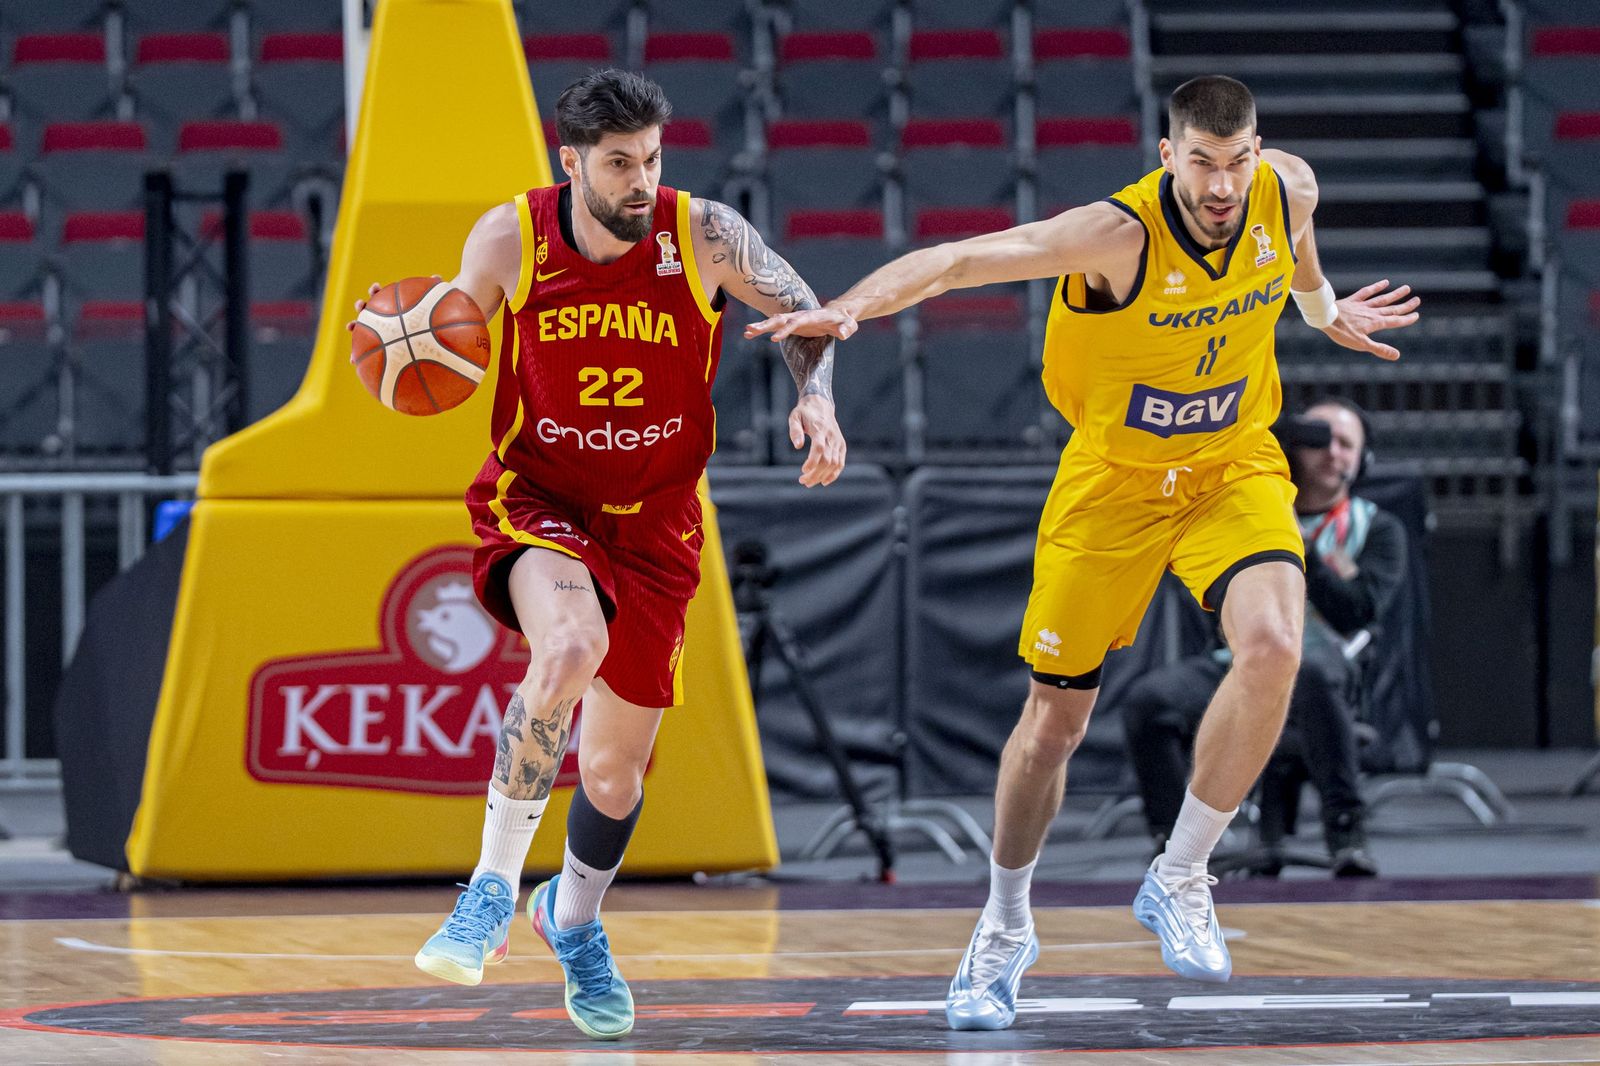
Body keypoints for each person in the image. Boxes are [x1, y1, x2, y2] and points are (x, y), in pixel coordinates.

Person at [748, 75, 1420, 1029]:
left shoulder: (1288, 187)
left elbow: (1298, 253)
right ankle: (1005, 926)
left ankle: (1181, 875)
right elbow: (963, 259)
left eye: (1238, 163)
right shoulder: (1116, 237)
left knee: (1276, 646)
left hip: (1231, 466)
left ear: (1258, 153)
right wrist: (854, 308)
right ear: (1168, 158)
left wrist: (1318, 312)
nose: (1223, 185)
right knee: (1052, 726)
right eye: (1202, 164)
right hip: (1113, 486)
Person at [349, 70, 846, 1040]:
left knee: (615, 778)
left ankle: (570, 919)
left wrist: (816, 396)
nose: (639, 181)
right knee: (568, 646)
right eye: (619, 163)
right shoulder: (509, 238)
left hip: (658, 519)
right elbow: (443, 337)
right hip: (544, 500)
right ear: (569, 159)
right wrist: (401, 341)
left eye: (651, 159)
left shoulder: (700, 233)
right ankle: (489, 890)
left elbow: (805, 311)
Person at [1120, 398, 1410, 877]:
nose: (1332, 453)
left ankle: (1346, 830)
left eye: (1345, 444)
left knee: (1309, 669)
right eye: (1320, 441)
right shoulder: (1251, 511)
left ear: (1363, 460)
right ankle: (1174, 844)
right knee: (1149, 701)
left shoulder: (1377, 528)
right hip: (1243, 657)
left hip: (1328, 660)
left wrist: (1292, 541)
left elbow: (1357, 611)